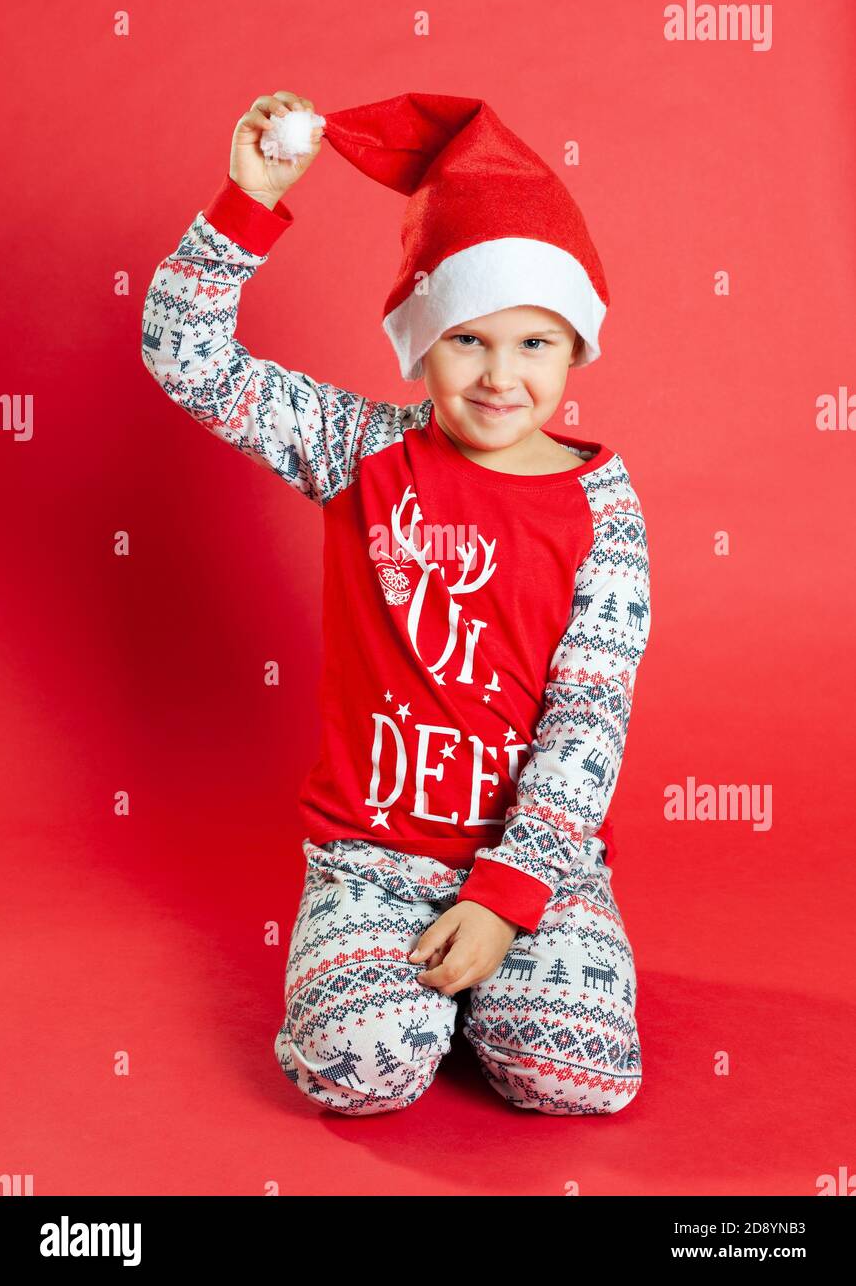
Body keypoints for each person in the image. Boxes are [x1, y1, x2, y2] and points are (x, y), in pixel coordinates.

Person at [141, 89, 652, 1116]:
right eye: (467, 340)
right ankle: (403, 988)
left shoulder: (601, 507)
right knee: (356, 1068)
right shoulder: (360, 450)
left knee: (578, 1077)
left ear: (575, 349)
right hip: (372, 860)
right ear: (419, 342)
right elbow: (186, 358)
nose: (500, 376)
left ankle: (495, 977)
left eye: (532, 344)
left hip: (528, 861)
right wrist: (248, 204)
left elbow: (586, 723)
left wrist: (510, 900)